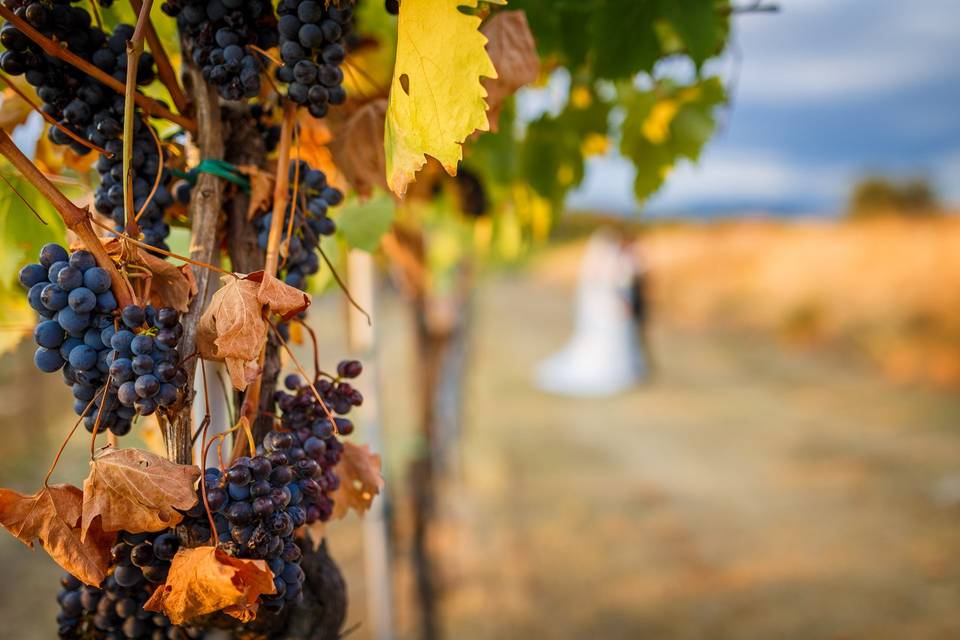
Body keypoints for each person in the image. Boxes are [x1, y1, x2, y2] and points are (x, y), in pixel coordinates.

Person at [535, 228, 648, 397]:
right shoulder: (610, 265)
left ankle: (622, 370)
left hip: (609, 308)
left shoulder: (614, 262)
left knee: (613, 339)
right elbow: (608, 284)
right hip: (608, 307)